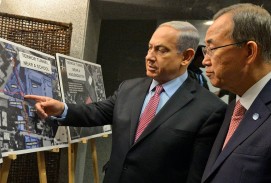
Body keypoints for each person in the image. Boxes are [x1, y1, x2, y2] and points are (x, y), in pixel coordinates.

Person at [25, 21, 227, 183]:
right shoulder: (129, 88)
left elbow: (197, 174)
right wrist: (62, 109)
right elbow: (97, 112)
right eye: (149, 48)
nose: (149, 57)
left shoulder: (210, 109)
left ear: (186, 56)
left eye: (161, 50)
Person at [200, 3, 271, 183]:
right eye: (205, 51)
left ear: (249, 51)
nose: (205, 61)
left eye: (212, 49)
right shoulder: (236, 107)